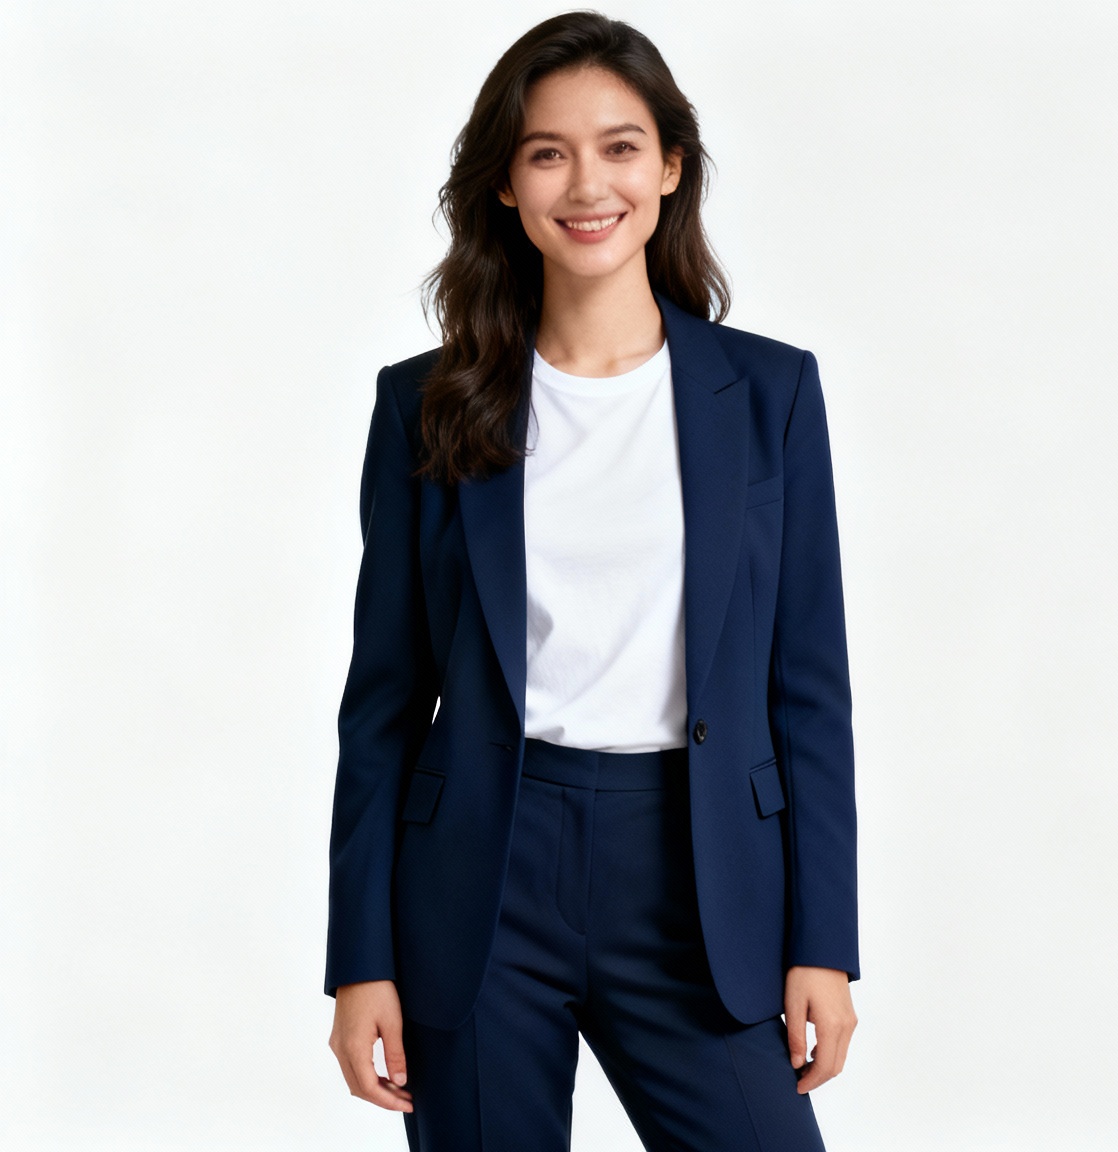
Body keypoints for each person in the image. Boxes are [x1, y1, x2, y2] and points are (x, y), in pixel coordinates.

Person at [321, 13, 859, 1150]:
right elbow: (381, 707)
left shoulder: (769, 397)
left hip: (698, 870)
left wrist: (825, 940)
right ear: (507, 187)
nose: (586, 183)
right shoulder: (425, 404)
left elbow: (806, 689)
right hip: (479, 873)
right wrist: (358, 962)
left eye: (619, 147)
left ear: (669, 167)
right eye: (545, 151)